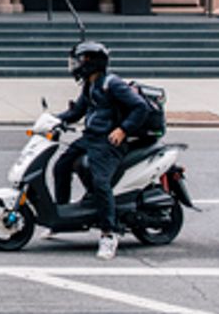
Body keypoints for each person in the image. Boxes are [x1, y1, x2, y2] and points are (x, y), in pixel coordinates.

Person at [51, 40, 150, 260]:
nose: (76, 65)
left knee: (100, 182)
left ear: (92, 62)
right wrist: (53, 120)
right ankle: (62, 216)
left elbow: (139, 107)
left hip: (108, 141)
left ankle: (109, 233)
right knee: (61, 166)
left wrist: (123, 130)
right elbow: (77, 111)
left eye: (80, 60)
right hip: (91, 137)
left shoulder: (112, 84)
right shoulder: (90, 84)